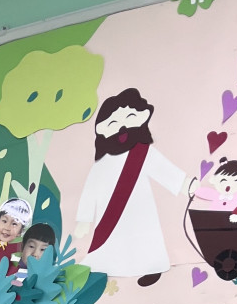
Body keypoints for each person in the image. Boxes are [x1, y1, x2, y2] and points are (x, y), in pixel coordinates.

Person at [74, 88, 184, 286]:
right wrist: (84, 219)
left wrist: (186, 185)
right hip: (108, 211)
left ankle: (151, 267)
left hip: (140, 208)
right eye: (113, 123)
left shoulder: (144, 152)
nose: (122, 127)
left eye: (130, 117)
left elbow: (165, 171)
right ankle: (104, 267)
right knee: (112, 241)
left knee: (145, 235)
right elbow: (90, 190)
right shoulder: (102, 162)